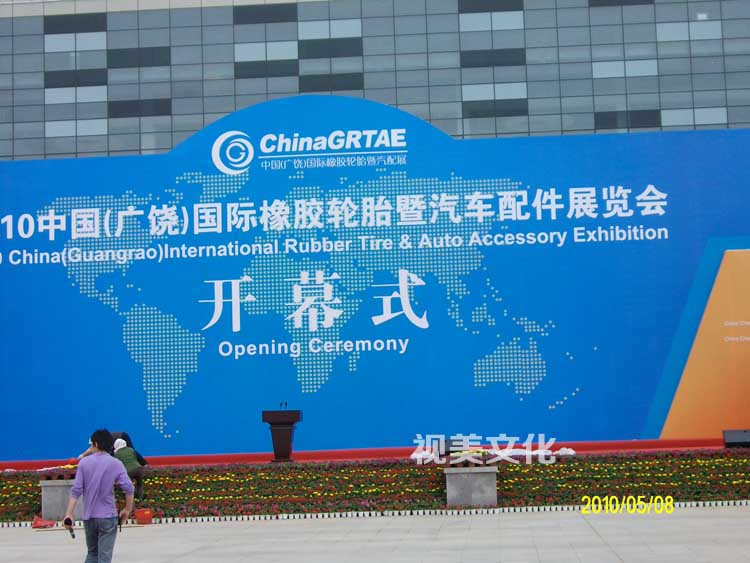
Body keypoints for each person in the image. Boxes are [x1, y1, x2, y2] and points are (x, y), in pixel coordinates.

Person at [64, 429, 134, 563]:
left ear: (96, 444)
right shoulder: (115, 463)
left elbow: (76, 490)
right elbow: (129, 487)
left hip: (89, 517)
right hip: (108, 517)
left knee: (92, 554)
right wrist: (127, 509)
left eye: (91, 445)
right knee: (104, 558)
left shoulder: (84, 463)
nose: (90, 448)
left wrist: (69, 514)